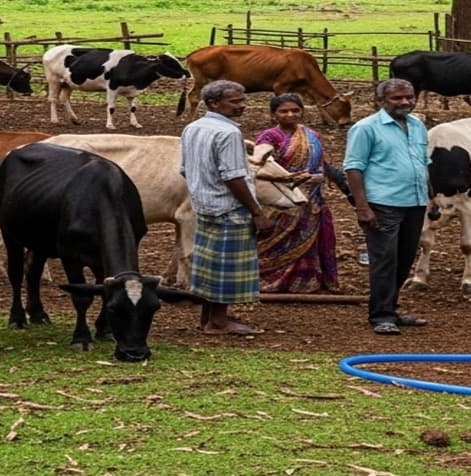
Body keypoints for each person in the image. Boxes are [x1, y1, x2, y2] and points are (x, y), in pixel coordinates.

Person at [180, 80, 273, 335]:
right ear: (213, 103)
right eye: (235, 102)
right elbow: (233, 176)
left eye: (242, 100)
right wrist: (257, 211)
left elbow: (184, 168)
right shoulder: (229, 133)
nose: (242, 105)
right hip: (229, 208)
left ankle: (207, 317)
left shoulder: (193, 128)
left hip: (204, 205)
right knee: (227, 267)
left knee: (209, 264)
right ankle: (219, 322)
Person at [343, 78, 431, 336]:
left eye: (409, 97)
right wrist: (362, 207)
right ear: (381, 101)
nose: (405, 102)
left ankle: (391, 308)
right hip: (383, 203)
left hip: (415, 201)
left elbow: (423, 163)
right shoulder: (366, 128)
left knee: (405, 258)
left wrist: (431, 196)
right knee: (384, 259)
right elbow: (354, 167)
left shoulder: (417, 126)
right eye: (397, 98)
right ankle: (380, 315)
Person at [253, 93, 346, 293]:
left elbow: (320, 164)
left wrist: (317, 177)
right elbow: (260, 165)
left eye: (295, 110)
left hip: (311, 198)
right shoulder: (269, 137)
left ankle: (307, 281)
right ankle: (270, 279)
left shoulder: (312, 135)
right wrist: (289, 177)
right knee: (274, 240)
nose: (290, 115)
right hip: (280, 199)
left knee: (309, 240)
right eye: (284, 111)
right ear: (273, 114)